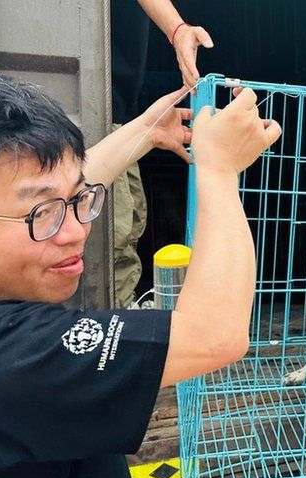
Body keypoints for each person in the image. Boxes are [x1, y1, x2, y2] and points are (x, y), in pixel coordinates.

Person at [0, 72, 280, 478]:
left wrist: (145, 130)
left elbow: (49, 197)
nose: (76, 230)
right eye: (42, 214)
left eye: (78, 199)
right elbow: (214, 335)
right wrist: (220, 171)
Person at [112, 0, 214, 307]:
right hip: (103, 103)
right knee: (116, 229)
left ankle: (122, 313)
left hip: (119, 112)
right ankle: (117, 324)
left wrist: (177, 30)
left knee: (129, 221)